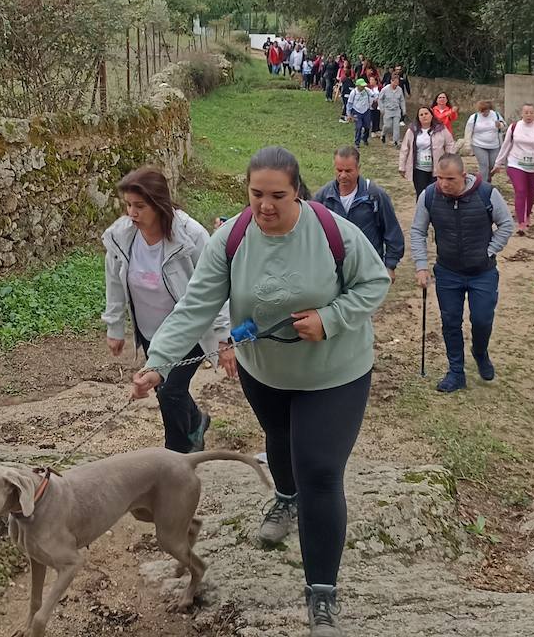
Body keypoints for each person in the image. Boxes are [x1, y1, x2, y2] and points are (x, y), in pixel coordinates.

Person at [132, 147, 390, 637]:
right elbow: (194, 306)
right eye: (256, 194)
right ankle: (285, 499)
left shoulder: (335, 233)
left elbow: (375, 282)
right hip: (265, 371)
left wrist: (330, 319)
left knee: (319, 469)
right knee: (279, 435)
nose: (265, 205)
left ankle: (322, 595)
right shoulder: (230, 238)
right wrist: (157, 364)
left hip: (334, 372)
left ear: (298, 193)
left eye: (277, 195)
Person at [102, 167, 236, 452]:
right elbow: (113, 280)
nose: (132, 213)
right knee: (166, 388)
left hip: (189, 330)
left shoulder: (191, 236)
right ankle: (197, 422)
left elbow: (218, 283)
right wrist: (115, 327)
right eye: (128, 205)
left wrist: (225, 336)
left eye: (140, 206)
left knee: (171, 389)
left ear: (159, 203)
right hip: (151, 331)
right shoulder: (121, 237)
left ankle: (176, 454)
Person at [410, 153, 514, 392]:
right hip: (447, 271)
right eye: (440, 178)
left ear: (463, 177)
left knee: (482, 319)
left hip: (483, 272)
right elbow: (418, 230)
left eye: (450, 179)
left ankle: (480, 352)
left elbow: (506, 224)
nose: (444, 184)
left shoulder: (486, 194)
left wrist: (489, 251)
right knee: (450, 321)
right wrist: (421, 266)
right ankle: (456, 371)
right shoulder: (429, 196)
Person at [313, 145, 404, 277]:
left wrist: (390, 266)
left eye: (348, 171)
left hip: (368, 269)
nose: (343, 175)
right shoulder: (323, 197)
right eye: (339, 170)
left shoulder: (374, 195)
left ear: (358, 168)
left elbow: (392, 231)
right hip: (334, 271)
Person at [496, 104, 534, 236]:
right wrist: (498, 162)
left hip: (533, 166)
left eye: (531, 112)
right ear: (522, 113)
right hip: (515, 163)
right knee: (520, 190)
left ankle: (527, 214)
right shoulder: (514, 127)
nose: (528, 115)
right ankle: (521, 223)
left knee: (530, 193)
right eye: (526, 112)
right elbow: (506, 144)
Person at [399, 106, 457, 197]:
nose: (424, 116)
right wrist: (402, 167)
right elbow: (405, 148)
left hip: (438, 169)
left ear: (431, 115)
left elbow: (450, 144)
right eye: (421, 115)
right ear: (418, 118)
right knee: (422, 194)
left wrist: (449, 160)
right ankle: (421, 210)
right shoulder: (412, 130)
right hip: (419, 169)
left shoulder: (441, 129)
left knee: (437, 194)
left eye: (426, 114)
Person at [463, 100, 506, 180]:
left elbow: (504, 125)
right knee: (484, 165)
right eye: (482, 111)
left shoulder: (496, 115)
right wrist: (467, 145)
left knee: (492, 165)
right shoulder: (474, 117)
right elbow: (468, 131)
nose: (485, 113)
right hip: (478, 145)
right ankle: (483, 185)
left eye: (487, 111)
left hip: (494, 145)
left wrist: (500, 125)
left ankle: (488, 180)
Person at [379, 73, 407, 147]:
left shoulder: (399, 90)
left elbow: (402, 100)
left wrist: (403, 110)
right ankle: (383, 134)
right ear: (391, 81)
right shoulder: (385, 89)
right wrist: (382, 109)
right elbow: (380, 99)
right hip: (387, 110)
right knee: (388, 125)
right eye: (394, 82)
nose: (396, 84)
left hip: (396, 110)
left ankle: (396, 141)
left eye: (397, 83)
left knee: (396, 126)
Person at [347, 78, 374, 148]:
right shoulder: (353, 93)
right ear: (358, 86)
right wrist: (349, 114)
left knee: (367, 126)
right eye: (362, 86)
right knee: (358, 127)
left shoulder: (367, 90)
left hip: (366, 111)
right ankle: (357, 142)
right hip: (357, 111)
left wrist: (375, 100)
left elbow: (373, 95)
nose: (363, 87)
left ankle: (365, 138)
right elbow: (349, 104)